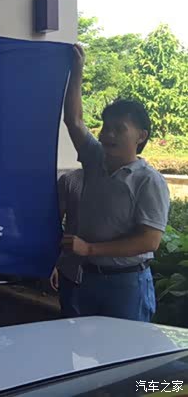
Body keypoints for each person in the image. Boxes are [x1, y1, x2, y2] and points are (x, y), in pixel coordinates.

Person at [62, 43, 170, 322]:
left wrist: (90, 249)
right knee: (87, 347)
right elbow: (74, 120)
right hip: (88, 278)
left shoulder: (148, 180)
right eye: (105, 127)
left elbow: (150, 240)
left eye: (118, 129)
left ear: (141, 136)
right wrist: (76, 70)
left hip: (127, 284)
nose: (107, 134)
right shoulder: (95, 158)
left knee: (125, 348)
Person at [50, 169, 84, 317]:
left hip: (114, 277)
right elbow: (53, 223)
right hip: (72, 272)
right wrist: (51, 264)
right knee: (71, 325)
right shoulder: (70, 180)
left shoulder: (123, 181)